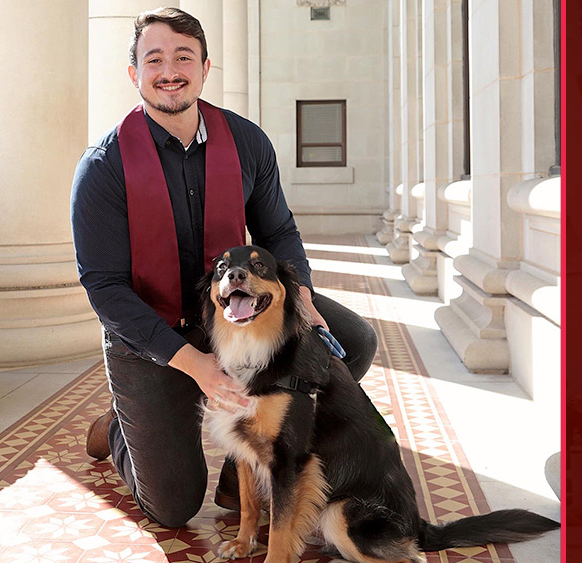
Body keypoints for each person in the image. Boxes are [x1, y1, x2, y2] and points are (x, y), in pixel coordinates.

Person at [70, 6, 377, 528]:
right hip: (152, 331)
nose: (170, 70)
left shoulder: (247, 142)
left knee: (353, 342)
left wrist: (302, 301)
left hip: (236, 306)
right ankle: (122, 428)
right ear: (134, 73)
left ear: (206, 68)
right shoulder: (104, 167)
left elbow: (278, 233)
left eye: (183, 57)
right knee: (172, 505)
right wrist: (194, 363)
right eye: (155, 59)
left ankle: (243, 474)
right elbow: (104, 288)